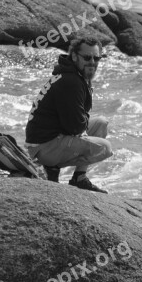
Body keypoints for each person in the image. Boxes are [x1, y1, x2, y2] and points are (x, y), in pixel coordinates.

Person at [25, 36, 112, 193]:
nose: (92, 62)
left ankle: (79, 178)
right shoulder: (71, 81)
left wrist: (80, 124)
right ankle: (52, 166)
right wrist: (81, 126)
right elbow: (74, 127)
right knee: (104, 148)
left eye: (96, 58)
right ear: (74, 56)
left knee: (101, 123)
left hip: (47, 139)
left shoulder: (71, 75)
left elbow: (75, 123)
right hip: (44, 147)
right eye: (87, 57)